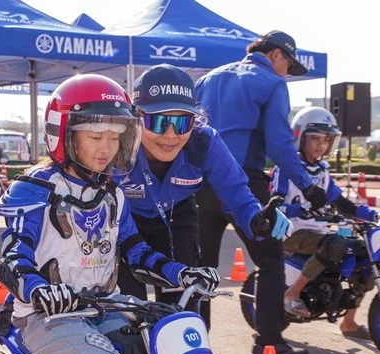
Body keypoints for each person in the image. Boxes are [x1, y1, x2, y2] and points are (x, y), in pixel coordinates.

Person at [0, 74, 221, 354]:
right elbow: (12, 257)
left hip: (104, 305)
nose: (106, 148)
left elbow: (136, 251)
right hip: (47, 314)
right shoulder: (35, 189)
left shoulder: (113, 192)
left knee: (169, 350)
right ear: (64, 135)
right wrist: (40, 290)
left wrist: (182, 273)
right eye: (95, 136)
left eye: (115, 138)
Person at [195, 30, 328, 354]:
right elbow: (280, 143)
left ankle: (193, 347)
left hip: (199, 183)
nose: (287, 73)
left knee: (200, 269)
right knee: (270, 262)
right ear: (275, 55)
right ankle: (268, 345)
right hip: (242, 184)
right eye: (288, 65)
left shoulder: (208, 79)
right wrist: (307, 184)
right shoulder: (271, 83)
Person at [115, 64, 291, 307]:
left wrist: (256, 220)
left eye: (182, 123)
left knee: (184, 307)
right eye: (158, 122)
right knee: (128, 307)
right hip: (124, 220)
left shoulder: (204, 140)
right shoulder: (117, 142)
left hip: (176, 215)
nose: (170, 135)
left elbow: (237, 193)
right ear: (136, 118)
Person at [276, 107, 380, 339]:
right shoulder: (285, 168)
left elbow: (342, 203)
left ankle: (349, 322)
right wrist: (300, 209)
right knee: (335, 244)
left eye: (326, 140)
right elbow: (273, 206)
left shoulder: (322, 172)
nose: (321, 145)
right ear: (300, 137)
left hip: (318, 233)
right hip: (292, 231)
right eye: (315, 138)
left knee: (364, 254)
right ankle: (292, 293)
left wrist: (374, 215)